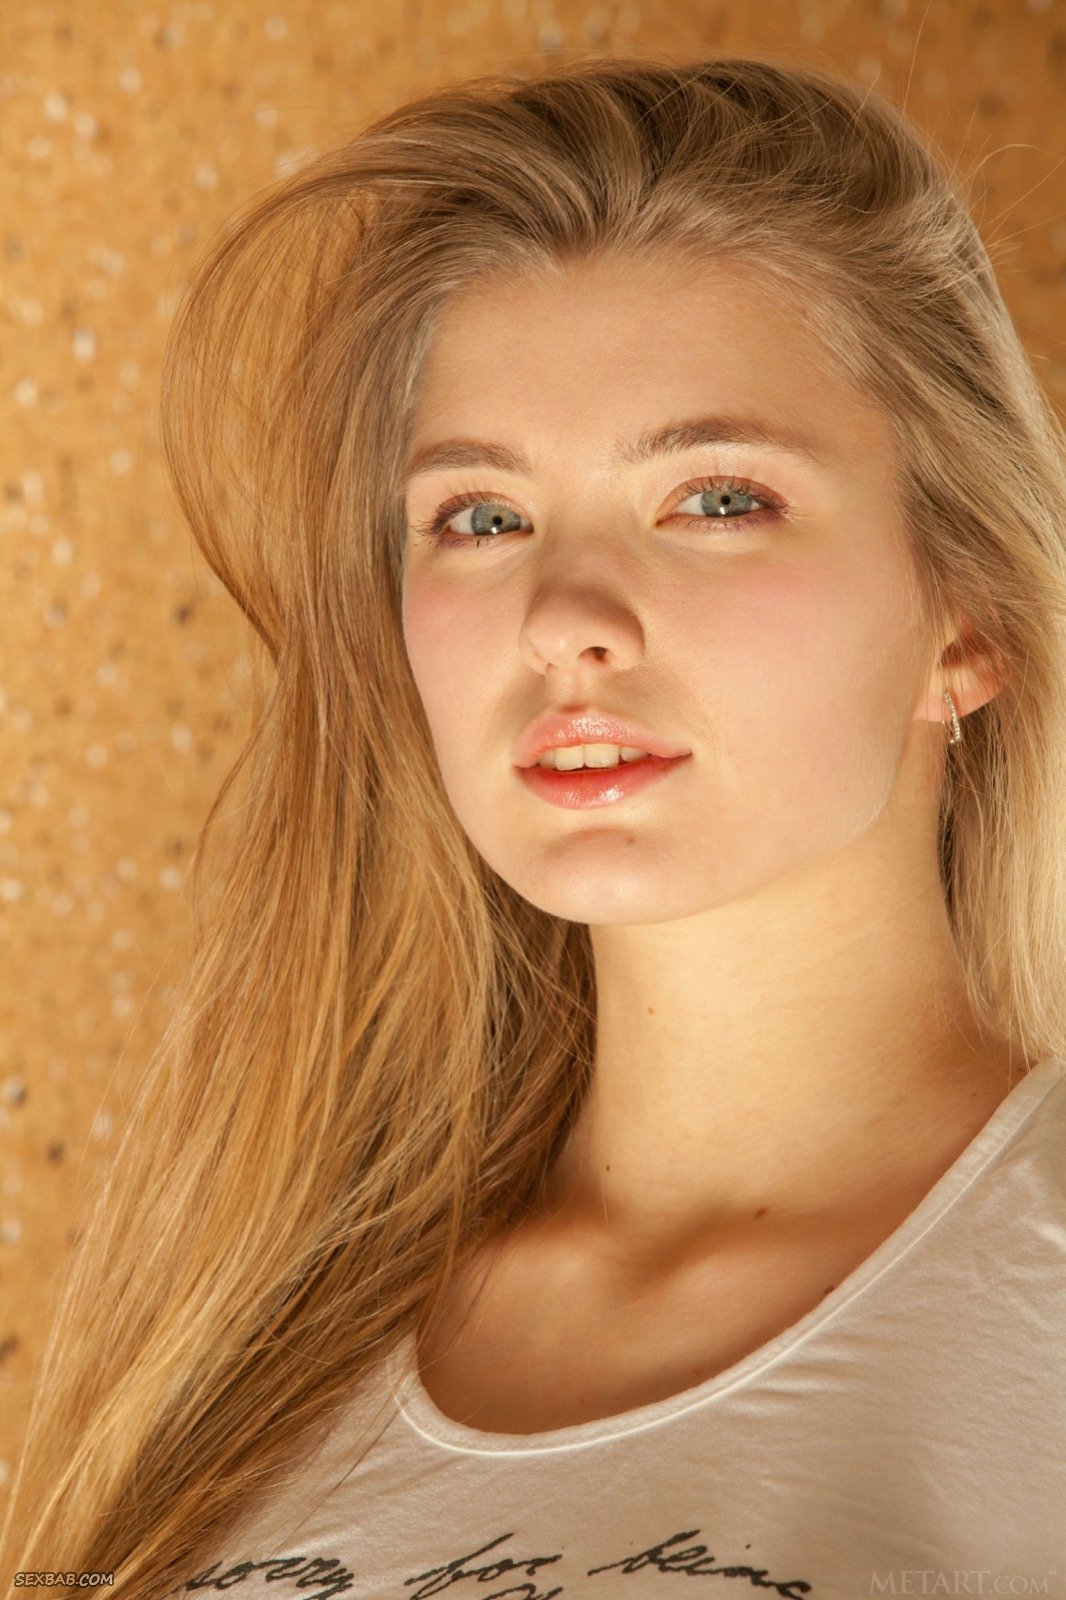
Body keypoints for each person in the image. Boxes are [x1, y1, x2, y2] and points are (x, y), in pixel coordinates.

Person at [3, 52, 1065, 1600]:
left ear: (965, 615)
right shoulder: (259, 1331)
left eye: (716, 497)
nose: (564, 614)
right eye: (481, 517)